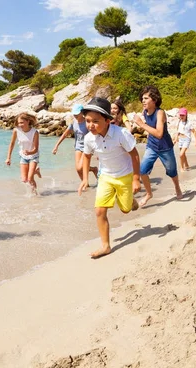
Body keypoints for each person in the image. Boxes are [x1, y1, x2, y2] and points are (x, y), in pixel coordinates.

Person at [78, 97, 141, 259]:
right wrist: (85, 179)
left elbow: (134, 155)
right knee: (99, 211)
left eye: (95, 121)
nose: (90, 125)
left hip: (124, 177)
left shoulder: (121, 134)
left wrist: (135, 178)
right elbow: (86, 157)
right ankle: (105, 246)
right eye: (88, 121)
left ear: (107, 120)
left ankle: (131, 201)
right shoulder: (89, 138)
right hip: (105, 177)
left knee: (126, 210)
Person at [133, 85, 183, 207]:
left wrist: (141, 124)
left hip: (165, 147)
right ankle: (149, 194)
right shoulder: (145, 111)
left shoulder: (160, 113)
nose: (143, 101)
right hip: (151, 146)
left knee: (171, 171)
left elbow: (159, 133)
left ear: (154, 100)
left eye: (146, 98)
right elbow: (146, 125)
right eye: (142, 98)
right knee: (142, 170)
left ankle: (177, 187)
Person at [52, 103, 98, 181]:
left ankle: (94, 170)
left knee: (80, 167)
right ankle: (86, 185)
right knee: (78, 169)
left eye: (77, 113)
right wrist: (56, 146)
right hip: (78, 147)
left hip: (88, 147)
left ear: (82, 113)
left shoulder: (87, 122)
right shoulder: (74, 122)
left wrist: (97, 151)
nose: (75, 115)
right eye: (74, 113)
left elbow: (95, 136)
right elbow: (65, 133)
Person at [5, 112, 42, 194]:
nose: (20, 124)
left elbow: (36, 149)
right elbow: (12, 144)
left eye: (22, 122)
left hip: (33, 156)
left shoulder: (35, 132)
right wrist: (8, 158)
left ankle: (35, 195)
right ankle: (35, 171)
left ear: (28, 121)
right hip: (23, 156)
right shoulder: (16, 130)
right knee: (24, 180)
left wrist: (30, 152)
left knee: (30, 178)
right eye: (18, 123)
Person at [172, 107, 196, 172]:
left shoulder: (189, 123)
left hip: (187, 139)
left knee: (181, 154)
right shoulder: (179, 122)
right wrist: (175, 139)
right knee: (183, 154)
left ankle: (182, 167)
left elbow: (194, 132)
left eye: (183, 115)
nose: (181, 116)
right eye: (180, 115)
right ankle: (187, 165)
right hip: (180, 139)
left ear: (186, 115)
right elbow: (177, 132)